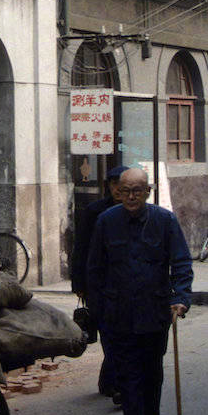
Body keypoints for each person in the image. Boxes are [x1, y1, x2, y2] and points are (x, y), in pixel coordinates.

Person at [86, 167, 193, 415]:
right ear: (117, 192)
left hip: (154, 315)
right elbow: (94, 269)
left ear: (148, 191)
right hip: (118, 317)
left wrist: (181, 297)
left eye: (137, 191)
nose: (131, 196)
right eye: (125, 191)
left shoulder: (165, 221)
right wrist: (98, 310)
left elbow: (181, 262)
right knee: (129, 380)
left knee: (151, 379)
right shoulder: (106, 222)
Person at [70, 164, 129, 401]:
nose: (118, 190)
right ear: (109, 186)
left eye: (122, 185)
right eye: (114, 185)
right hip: (98, 284)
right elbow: (81, 248)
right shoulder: (94, 211)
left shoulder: (133, 210)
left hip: (125, 284)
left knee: (120, 335)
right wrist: (79, 284)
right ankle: (115, 383)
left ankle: (110, 380)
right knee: (108, 332)